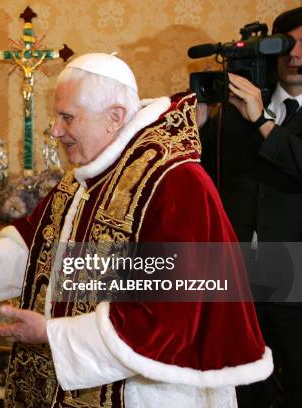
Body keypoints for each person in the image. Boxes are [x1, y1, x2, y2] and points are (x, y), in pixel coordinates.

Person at [0, 53, 273, 407]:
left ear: (114, 118)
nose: (55, 130)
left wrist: (52, 335)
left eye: (67, 117)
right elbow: (34, 244)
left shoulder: (175, 182)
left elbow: (170, 313)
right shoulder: (87, 177)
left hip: (147, 389)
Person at [199, 7, 302, 407]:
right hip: (237, 270)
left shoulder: (254, 111)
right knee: (241, 384)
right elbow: (201, 172)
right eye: (288, 45)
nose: (295, 56)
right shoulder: (234, 108)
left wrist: (262, 121)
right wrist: (199, 124)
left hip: (295, 269)